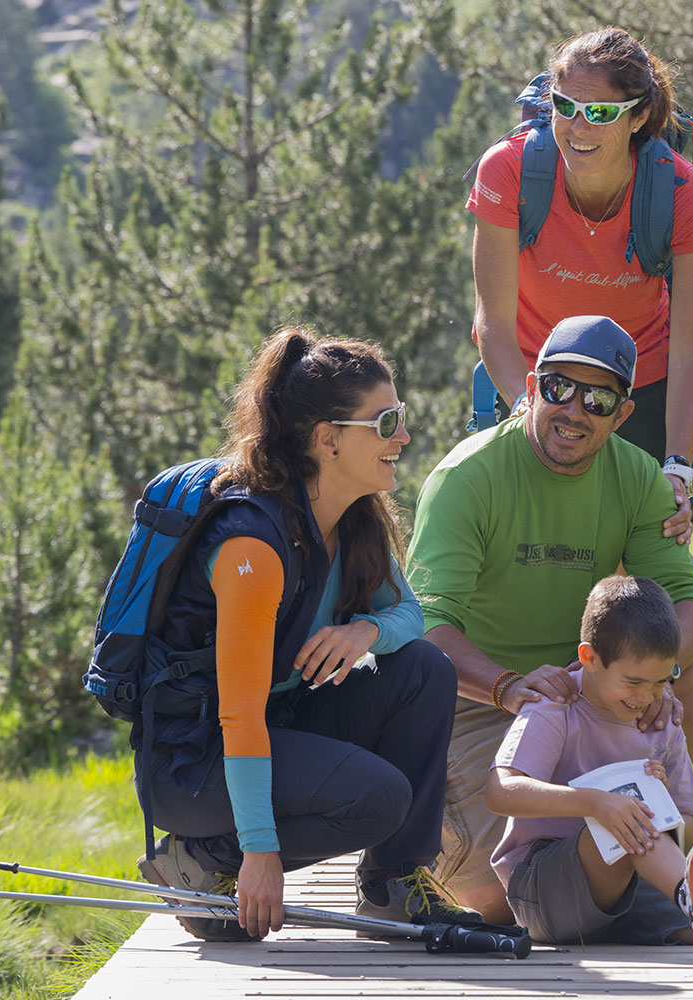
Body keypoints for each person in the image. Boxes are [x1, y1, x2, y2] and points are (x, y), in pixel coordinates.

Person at [134, 327, 482, 941]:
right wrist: (260, 858)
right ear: (328, 440)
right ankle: (203, 860)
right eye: (386, 422)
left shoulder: (352, 520)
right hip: (198, 758)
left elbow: (411, 616)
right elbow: (238, 717)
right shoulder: (253, 546)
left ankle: (393, 887)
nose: (402, 436)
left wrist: (366, 632)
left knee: (425, 670)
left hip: (278, 724)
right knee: (378, 798)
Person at [405, 314, 693, 924]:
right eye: (558, 388)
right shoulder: (466, 478)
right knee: (499, 908)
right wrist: (507, 686)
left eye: (598, 397)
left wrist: (660, 680)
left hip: (590, 688)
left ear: (622, 414)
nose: (574, 409)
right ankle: (604, 850)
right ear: (531, 385)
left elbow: (690, 603)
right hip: (476, 701)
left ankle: (634, 838)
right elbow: (426, 629)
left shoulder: (636, 476)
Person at [468, 26, 693, 543]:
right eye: (565, 105)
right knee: (522, 552)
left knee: (637, 561)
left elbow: (691, 348)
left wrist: (678, 467)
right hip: (535, 383)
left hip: (638, 390)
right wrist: (526, 410)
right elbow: (491, 323)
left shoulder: (685, 196)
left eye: (601, 112)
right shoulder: (508, 171)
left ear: (639, 116)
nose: (578, 126)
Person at [485, 575, 693, 999]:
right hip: (545, 892)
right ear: (589, 658)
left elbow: (690, 830)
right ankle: (692, 901)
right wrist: (596, 804)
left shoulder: (662, 723)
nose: (648, 697)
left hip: (635, 890)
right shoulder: (557, 707)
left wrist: (660, 805)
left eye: (663, 681)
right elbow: (500, 791)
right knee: (625, 814)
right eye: (634, 682)